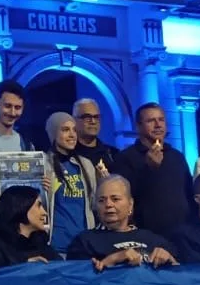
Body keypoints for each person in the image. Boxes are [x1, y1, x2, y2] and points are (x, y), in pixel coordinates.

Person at [65, 176, 177, 270]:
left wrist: (170, 259)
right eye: (101, 200)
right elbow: (77, 278)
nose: (108, 204)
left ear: (130, 204)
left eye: (115, 199)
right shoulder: (84, 242)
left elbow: (181, 274)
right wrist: (113, 259)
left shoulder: (154, 240)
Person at [118, 103, 193, 235]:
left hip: (182, 235)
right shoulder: (125, 158)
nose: (158, 125)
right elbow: (125, 197)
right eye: (151, 121)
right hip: (146, 235)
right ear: (138, 126)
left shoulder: (177, 156)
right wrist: (149, 169)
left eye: (161, 120)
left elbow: (189, 194)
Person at [44, 111, 98, 256]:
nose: (72, 135)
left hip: (84, 245)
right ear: (54, 133)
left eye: (74, 130)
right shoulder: (44, 164)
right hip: (57, 246)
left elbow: (93, 204)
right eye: (65, 130)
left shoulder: (86, 165)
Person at [0, 186, 56, 271]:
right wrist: (23, 267)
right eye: (39, 206)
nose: (44, 213)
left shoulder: (44, 247)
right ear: (21, 207)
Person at [73, 97, 122, 175]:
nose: (93, 121)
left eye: (96, 117)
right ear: (74, 120)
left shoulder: (113, 154)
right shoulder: (68, 155)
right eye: (87, 117)